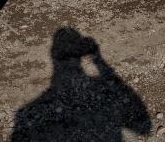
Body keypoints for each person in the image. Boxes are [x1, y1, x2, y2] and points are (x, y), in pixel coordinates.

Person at [11, 27, 151, 141]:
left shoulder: (25, 114)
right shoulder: (102, 90)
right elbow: (144, 127)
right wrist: (98, 60)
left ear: (53, 55)